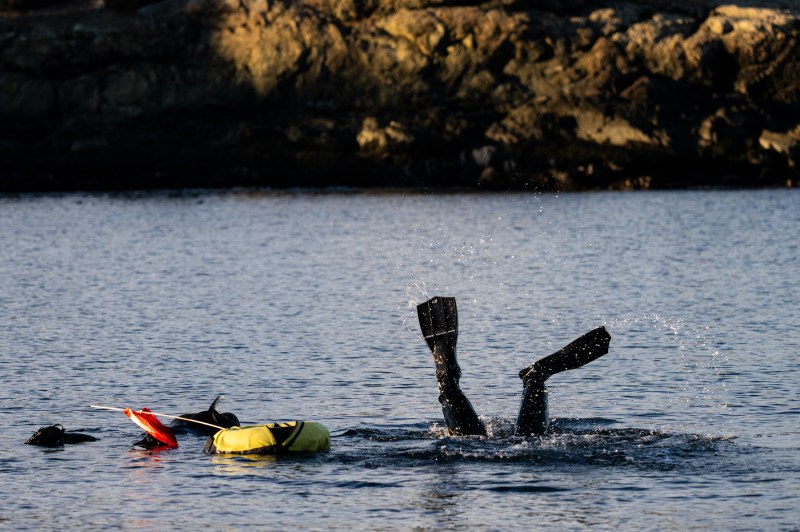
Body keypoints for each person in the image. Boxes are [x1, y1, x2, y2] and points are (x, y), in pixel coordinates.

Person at [417, 296, 611, 436]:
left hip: (485, 451)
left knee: (475, 440)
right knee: (530, 440)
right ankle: (535, 374)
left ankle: (447, 377)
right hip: (527, 452)